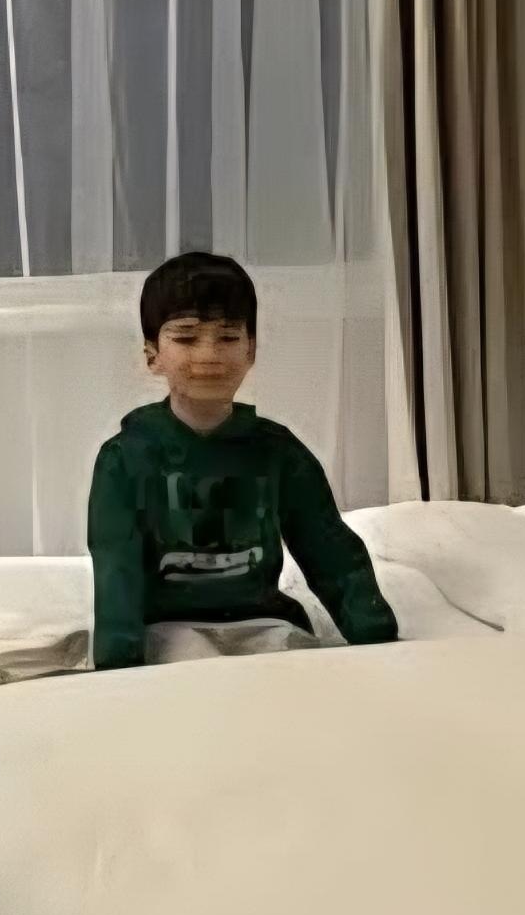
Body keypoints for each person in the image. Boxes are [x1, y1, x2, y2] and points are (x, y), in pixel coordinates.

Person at [88, 250, 400, 672]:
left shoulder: (279, 452)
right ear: (152, 355)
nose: (209, 354)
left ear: (251, 350)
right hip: (166, 630)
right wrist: (117, 668)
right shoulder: (124, 460)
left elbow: (331, 553)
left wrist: (378, 640)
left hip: (263, 624)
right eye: (186, 338)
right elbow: (117, 571)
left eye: (228, 337)